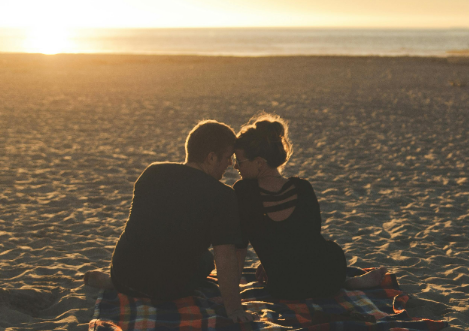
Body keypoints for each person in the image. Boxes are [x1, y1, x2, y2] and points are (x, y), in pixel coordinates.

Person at [84, 120, 257, 322]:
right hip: (166, 288)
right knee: (206, 260)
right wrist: (234, 310)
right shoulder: (222, 195)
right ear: (211, 157)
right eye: (228, 158)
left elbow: (141, 228)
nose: (230, 165)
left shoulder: (152, 172)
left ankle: (113, 283)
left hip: (122, 274)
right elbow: (225, 258)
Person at [232, 114, 386, 300]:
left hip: (283, 286)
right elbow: (306, 239)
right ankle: (346, 283)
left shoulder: (243, 192)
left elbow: (239, 248)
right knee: (328, 251)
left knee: (305, 270)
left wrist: (233, 291)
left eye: (239, 161)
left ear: (258, 162)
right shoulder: (302, 188)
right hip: (327, 278)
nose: (236, 167)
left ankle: (347, 284)